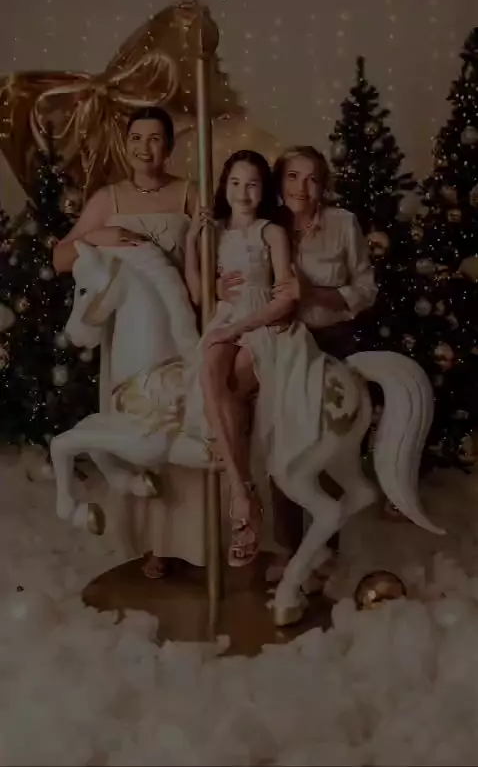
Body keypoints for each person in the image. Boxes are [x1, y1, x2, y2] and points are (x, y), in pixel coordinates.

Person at [53, 105, 202, 580]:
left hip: (182, 326)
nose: (144, 148)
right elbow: (61, 257)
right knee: (136, 431)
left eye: (155, 138)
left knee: (185, 427)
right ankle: (152, 543)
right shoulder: (108, 198)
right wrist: (100, 234)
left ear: (169, 146)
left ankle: (195, 540)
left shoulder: (189, 193)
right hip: (133, 339)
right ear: (126, 144)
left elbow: (211, 254)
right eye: (136, 138)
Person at [216, 145, 377, 579]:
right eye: (292, 176)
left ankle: (325, 551)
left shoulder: (342, 224)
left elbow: (366, 288)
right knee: (281, 439)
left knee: (322, 442)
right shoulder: (268, 225)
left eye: (312, 179)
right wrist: (218, 286)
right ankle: (288, 546)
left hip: (331, 338)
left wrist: (316, 294)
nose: (301, 188)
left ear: (323, 185)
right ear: (279, 181)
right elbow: (240, 272)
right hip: (282, 338)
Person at [185, 149, 326, 568]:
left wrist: (237, 328)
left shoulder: (271, 232)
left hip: (261, 323)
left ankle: (244, 503)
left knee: (228, 382)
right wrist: (192, 243)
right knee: (209, 368)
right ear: (224, 186)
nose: (242, 193)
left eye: (252, 184)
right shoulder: (216, 231)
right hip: (225, 319)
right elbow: (199, 294)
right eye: (234, 183)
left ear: (264, 190)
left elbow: (286, 297)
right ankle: (241, 490)